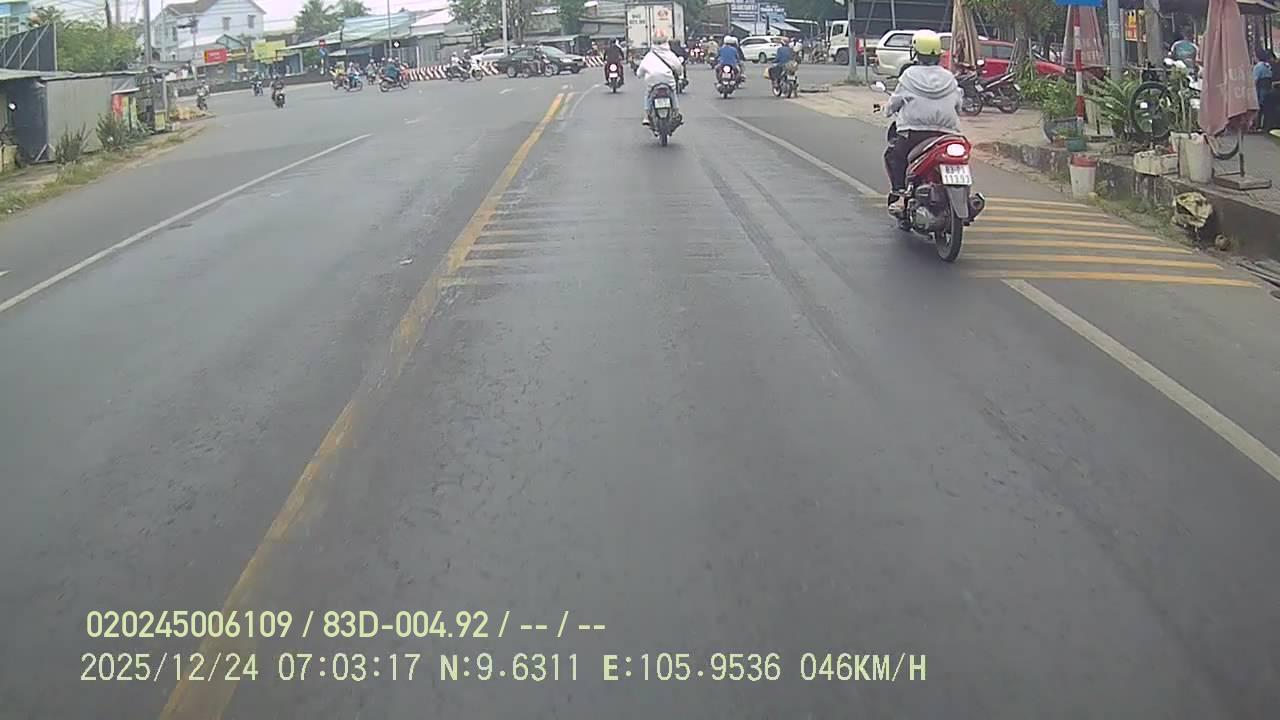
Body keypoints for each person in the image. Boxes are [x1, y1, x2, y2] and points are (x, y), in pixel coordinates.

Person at [883, 30, 962, 209]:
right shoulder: (949, 77)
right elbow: (959, 104)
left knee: (894, 156)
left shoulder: (909, 75)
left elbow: (895, 102)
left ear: (916, 52)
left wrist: (887, 110)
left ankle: (899, 193)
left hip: (914, 134)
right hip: (947, 135)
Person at [636, 30, 682, 125]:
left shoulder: (649, 55)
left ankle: (646, 116)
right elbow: (678, 67)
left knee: (648, 94)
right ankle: (676, 112)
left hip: (652, 81)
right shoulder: (670, 54)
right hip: (668, 80)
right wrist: (680, 74)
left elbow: (640, 71)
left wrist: (639, 75)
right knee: (673, 93)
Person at [1256, 48, 1276, 131]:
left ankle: (1258, 125)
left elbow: (1255, 79)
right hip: (1269, 88)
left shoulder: (1258, 66)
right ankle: (1265, 125)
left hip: (1261, 88)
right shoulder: (1268, 66)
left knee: (1259, 107)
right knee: (1266, 108)